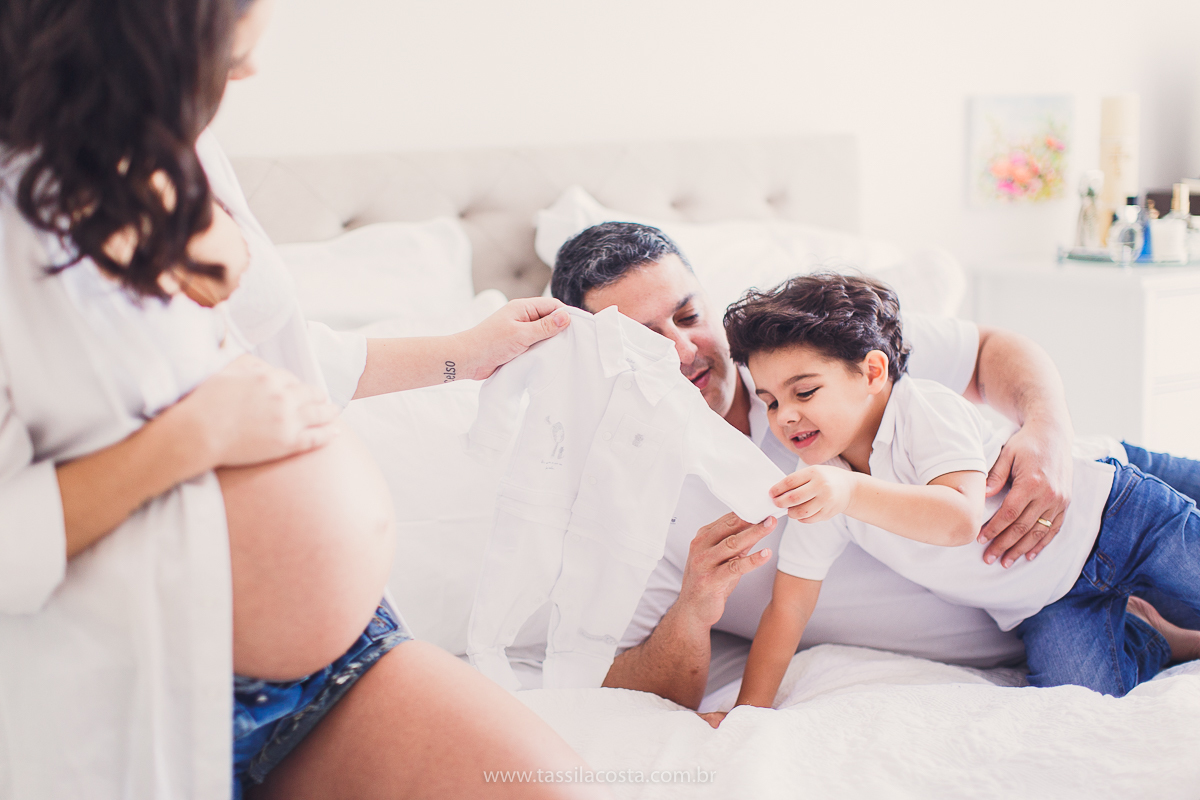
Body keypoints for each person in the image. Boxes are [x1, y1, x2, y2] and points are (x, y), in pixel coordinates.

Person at [0, 1, 609, 798]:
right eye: (226, 51)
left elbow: (277, 359)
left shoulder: (176, 149)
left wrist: (464, 353)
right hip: (131, 693)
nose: (249, 71)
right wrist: (188, 441)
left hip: (339, 666)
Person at [548, 221, 1200, 709]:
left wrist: (1048, 429)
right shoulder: (633, 492)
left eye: (689, 315)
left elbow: (991, 351)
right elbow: (741, 629)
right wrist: (700, 613)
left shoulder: (811, 346)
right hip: (1041, 605)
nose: (681, 349)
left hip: (1101, 496)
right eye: (640, 338)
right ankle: (1156, 632)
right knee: (1089, 692)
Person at [711, 273, 1200, 721]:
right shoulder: (823, 483)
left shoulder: (921, 410)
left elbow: (959, 518)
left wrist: (850, 491)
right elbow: (788, 607)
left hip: (1117, 521)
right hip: (1046, 603)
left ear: (872, 373)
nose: (785, 416)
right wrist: (747, 711)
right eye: (771, 401)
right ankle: (1155, 634)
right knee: (1079, 700)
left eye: (804, 392)